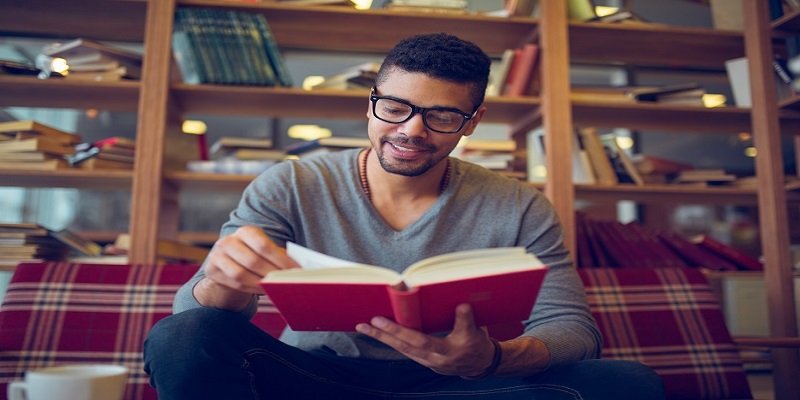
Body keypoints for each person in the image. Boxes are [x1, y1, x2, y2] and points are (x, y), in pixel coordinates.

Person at [144, 32, 664, 399]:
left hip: (461, 385)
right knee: (182, 337)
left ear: (473, 122)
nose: (412, 130)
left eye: (441, 115)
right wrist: (221, 280)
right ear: (370, 104)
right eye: (395, 107)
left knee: (629, 384)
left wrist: (492, 359)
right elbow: (194, 314)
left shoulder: (519, 204)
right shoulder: (292, 183)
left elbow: (573, 328)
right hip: (314, 378)